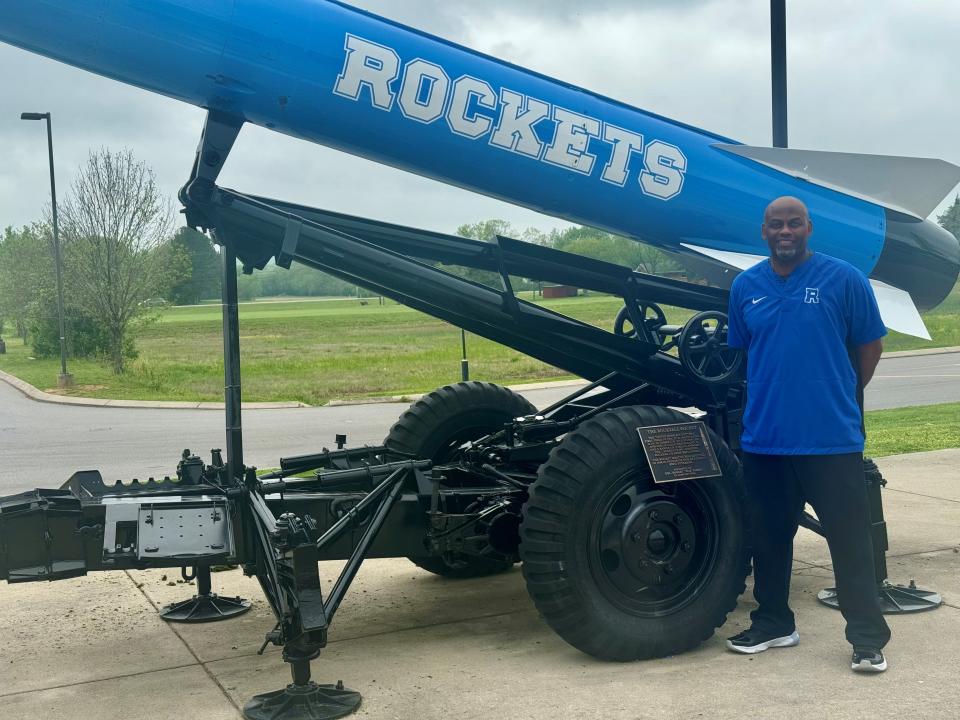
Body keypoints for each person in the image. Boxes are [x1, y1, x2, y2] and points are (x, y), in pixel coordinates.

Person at [724, 195, 891, 672]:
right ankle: (775, 622)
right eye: (775, 224)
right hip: (765, 440)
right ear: (764, 232)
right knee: (769, 538)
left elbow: (869, 347)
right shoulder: (746, 286)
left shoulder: (844, 280)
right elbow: (748, 352)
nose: (785, 231)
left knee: (849, 542)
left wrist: (837, 393)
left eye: (794, 223)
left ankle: (866, 639)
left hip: (831, 440)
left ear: (808, 228)